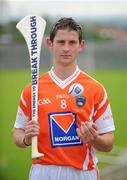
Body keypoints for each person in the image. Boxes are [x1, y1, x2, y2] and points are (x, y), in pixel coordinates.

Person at [12, 17, 115, 180]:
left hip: (82, 173)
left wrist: (95, 139)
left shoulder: (95, 89)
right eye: (61, 42)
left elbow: (109, 142)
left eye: (72, 42)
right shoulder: (32, 90)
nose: (66, 48)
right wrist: (25, 138)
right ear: (49, 43)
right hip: (43, 172)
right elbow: (17, 132)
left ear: (81, 45)